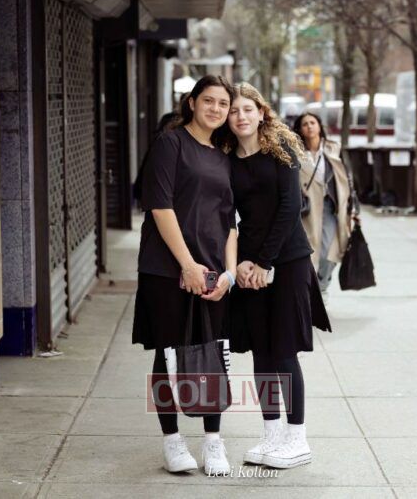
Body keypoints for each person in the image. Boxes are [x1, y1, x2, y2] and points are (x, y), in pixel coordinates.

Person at [221, 83, 331, 469]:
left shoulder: (281, 150)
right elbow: (228, 215)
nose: (241, 116)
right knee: (262, 351)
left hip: (287, 260)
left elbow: (290, 207)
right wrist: (241, 264)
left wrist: (264, 262)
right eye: (234, 110)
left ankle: (297, 438)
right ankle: (272, 435)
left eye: (247, 109)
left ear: (261, 112)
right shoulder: (227, 159)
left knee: (284, 349)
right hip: (250, 265)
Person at [132, 75, 238, 474]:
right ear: (192, 102)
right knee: (168, 353)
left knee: (213, 353)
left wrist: (228, 274)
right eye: (208, 100)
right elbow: (160, 207)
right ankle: (172, 441)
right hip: (166, 269)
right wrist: (187, 265)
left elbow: (230, 222)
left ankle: (213, 441)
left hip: (212, 271)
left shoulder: (224, 156)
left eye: (223, 104)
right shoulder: (170, 143)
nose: (215, 109)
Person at [292, 112, 359, 297]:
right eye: (305, 124)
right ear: (300, 129)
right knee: (307, 251)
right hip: (306, 209)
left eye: (312, 122)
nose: (309, 126)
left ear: (319, 126)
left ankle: (322, 287)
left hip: (331, 206)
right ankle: (308, 290)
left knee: (330, 250)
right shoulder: (295, 152)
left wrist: (354, 208)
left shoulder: (333, 149)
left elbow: (348, 179)